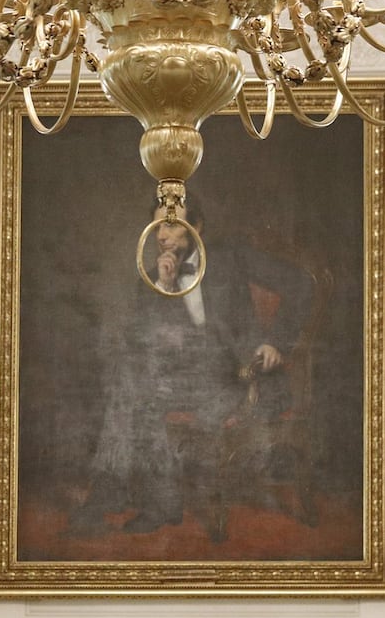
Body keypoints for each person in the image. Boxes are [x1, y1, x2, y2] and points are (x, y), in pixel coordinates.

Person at [64, 195, 314, 540]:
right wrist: (165, 290)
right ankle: (138, 497)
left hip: (241, 378)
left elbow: (301, 282)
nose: (162, 236)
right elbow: (144, 346)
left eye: (170, 225)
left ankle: (134, 498)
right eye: (157, 228)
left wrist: (275, 341)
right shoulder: (153, 279)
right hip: (187, 381)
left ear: (197, 227)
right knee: (132, 382)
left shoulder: (232, 258)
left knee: (137, 388)